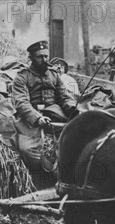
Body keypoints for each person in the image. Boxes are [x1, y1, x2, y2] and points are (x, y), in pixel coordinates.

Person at [11, 40, 76, 170]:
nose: (44, 59)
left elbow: (64, 96)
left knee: (74, 142)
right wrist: (37, 118)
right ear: (31, 58)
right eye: (39, 57)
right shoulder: (22, 76)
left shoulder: (54, 74)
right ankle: (40, 177)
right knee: (27, 149)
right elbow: (21, 102)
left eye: (46, 56)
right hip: (30, 121)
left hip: (55, 116)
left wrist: (72, 108)